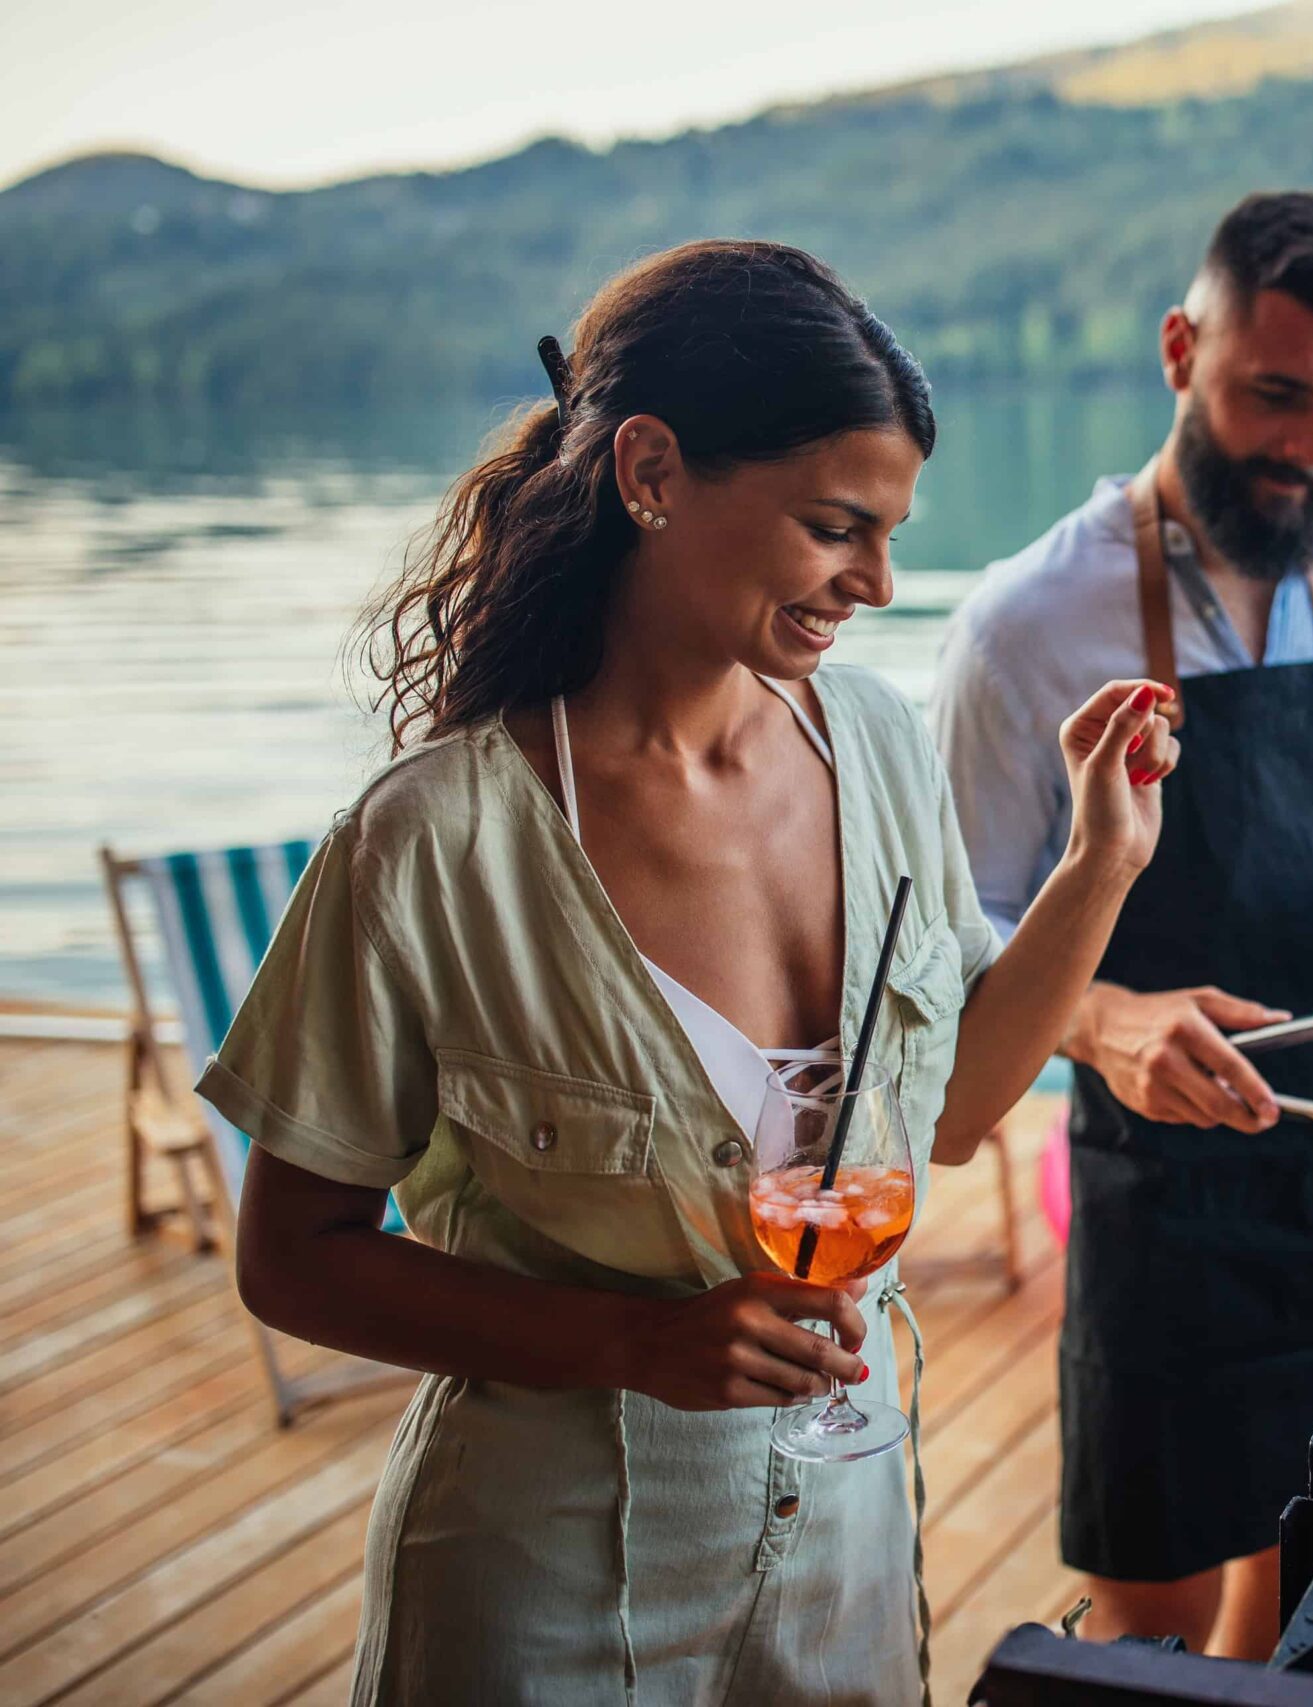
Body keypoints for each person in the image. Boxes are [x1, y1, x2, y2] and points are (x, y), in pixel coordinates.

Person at [200, 240, 1179, 1706]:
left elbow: (962, 1111)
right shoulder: (436, 841)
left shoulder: (879, 749)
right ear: (650, 471)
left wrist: (1101, 862)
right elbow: (289, 1252)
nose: (883, 583)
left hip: (845, 1545)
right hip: (542, 1579)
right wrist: (635, 1338)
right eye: (836, 527)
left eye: (893, 534)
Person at [930, 191, 1313, 1657]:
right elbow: (951, 934)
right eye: (1277, 396)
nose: (1312, 449)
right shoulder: (1025, 623)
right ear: (1183, 349)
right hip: (1168, 1208)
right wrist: (1103, 1019)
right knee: (1145, 1619)